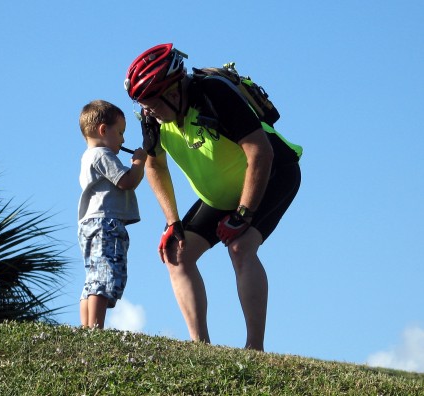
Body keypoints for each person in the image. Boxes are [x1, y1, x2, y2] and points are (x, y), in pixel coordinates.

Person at [124, 43, 302, 350]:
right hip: (220, 193)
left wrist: (244, 214)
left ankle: (254, 349)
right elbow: (154, 163)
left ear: (174, 91)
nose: (147, 109)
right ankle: (201, 347)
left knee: (240, 247)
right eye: (142, 103)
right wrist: (171, 220)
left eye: (152, 101)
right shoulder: (151, 117)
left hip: (273, 174)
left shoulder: (214, 95)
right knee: (177, 254)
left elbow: (261, 152)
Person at [77, 99, 147, 329]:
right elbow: (127, 182)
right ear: (103, 130)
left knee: (92, 275)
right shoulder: (102, 155)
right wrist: (138, 163)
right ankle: (96, 327)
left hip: (90, 224)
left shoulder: (88, 157)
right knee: (104, 273)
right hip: (105, 223)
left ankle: (87, 327)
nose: (123, 140)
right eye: (120, 132)